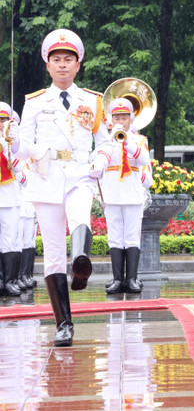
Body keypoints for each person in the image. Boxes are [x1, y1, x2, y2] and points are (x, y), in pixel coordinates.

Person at [9, 28, 113, 347]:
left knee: (80, 215)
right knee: (53, 253)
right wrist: (15, 143)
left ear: (78, 64)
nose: (63, 65)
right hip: (47, 175)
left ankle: (80, 265)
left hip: (80, 172)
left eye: (69, 59)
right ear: (48, 64)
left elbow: (106, 141)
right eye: (57, 59)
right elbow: (24, 146)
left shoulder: (93, 101)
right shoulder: (36, 103)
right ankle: (63, 324)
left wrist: (101, 160)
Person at [100, 98, 152, 294]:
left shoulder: (139, 140)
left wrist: (126, 141)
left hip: (132, 194)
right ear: (111, 119)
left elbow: (144, 159)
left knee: (131, 237)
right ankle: (116, 279)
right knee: (114, 237)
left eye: (124, 118)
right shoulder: (105, 139)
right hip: (112, 193)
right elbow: (99, 163)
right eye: (116, 118)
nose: (120, 121)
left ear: (131, 119)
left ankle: (132, 279)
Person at [0, 103, 24, 297]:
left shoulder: (15, 142)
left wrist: (9, 153)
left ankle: (9, 281)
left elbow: (22, 171)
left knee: (9, 240)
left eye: (3, 120)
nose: (0, 124)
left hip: (10, 196)